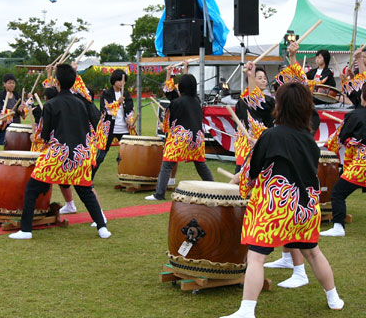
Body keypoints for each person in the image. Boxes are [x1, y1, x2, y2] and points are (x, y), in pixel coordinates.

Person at [221, 82, 344, 318]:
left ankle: (247, 311)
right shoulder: (310, 141)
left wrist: (244, 181)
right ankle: (334, 298)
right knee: (314, 253)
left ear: (280, 106)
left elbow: (251, 173)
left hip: (275, 209)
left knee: (256, 257)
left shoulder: (270, 135)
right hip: (305, 209)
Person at [8, 64, 111, 239]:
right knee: (85, 191)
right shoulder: (81, 103)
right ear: (73, 82)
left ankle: (25, 230)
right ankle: (102, 228)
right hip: (81, 154)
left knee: (32, 188)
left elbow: (47, 135)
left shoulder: (51, 104)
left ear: (56, 82)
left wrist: (38, 137)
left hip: (59, 155)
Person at [145, 73, 214, 201]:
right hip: (197, 139)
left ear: (180, 87)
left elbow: (169, 120)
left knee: (166, 165)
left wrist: (163, 127)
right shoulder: (197, 101)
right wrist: (170, 75)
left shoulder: (176, 102)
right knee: (200, 164)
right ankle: (214, 188)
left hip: (181, 138)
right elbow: (171, 93)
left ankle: (159, 194)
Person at [320, 83, 366, 237]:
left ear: (362, 98)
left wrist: (325, 147)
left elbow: (339, 139)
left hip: (363, 164)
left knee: (338, 192)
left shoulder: (355, 115)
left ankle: (338, 227)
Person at [31, 86, 75, 215]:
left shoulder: (49, 109)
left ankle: (40, 206)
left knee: (42, 177)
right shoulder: (67, 108)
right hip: (69, 148)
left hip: (55, 149)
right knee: (65, 179)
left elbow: (45, 134)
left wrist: (35, 137)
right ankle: (70, 204)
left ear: (45, 98)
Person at [234, 62, 275, 173]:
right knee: (240, 174)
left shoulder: (269, 101)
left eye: (265, 78)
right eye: (260, 78)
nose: (263, 80)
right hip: (247, 142)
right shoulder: (243, 101)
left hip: (261, 142)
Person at [93, 69, 135, 179]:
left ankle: (125, 176)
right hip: (109, 129)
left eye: (124, 81)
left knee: (127, 154)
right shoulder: (106, 93)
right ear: (114, 81)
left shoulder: (126, 94)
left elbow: (130, 109)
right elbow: (105, 110)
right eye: (119, 80)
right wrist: (118, 103)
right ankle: (89, 177)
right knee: (101, 156)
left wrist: (131, 121)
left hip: (124, 129)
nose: (122, 83)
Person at [0, 73, 26, 146]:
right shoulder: (0, 96)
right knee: (3, 145)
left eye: (13, 83)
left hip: (16, 124)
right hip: (4, 125)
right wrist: (8, 112)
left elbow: (22, 112)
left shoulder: (17, 96)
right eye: (9, 83)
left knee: (15, 145)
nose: (12, 85)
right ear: (4, 84)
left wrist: (20, 110)